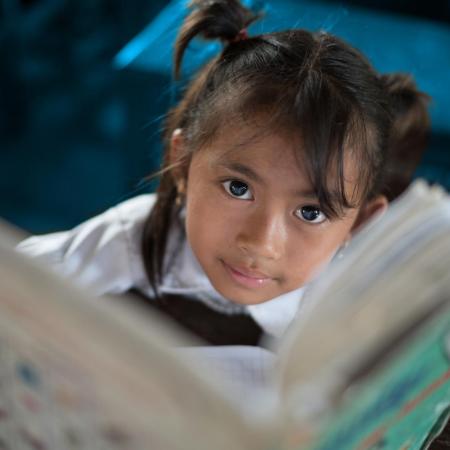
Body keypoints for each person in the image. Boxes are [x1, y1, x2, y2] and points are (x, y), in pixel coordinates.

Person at [17, 0, 430, 344]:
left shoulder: (365, 299)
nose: (261, 243)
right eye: (238, 187)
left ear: (360, 223)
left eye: (311, 212)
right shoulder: (140, 236)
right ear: (183, 162)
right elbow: (19, 284)